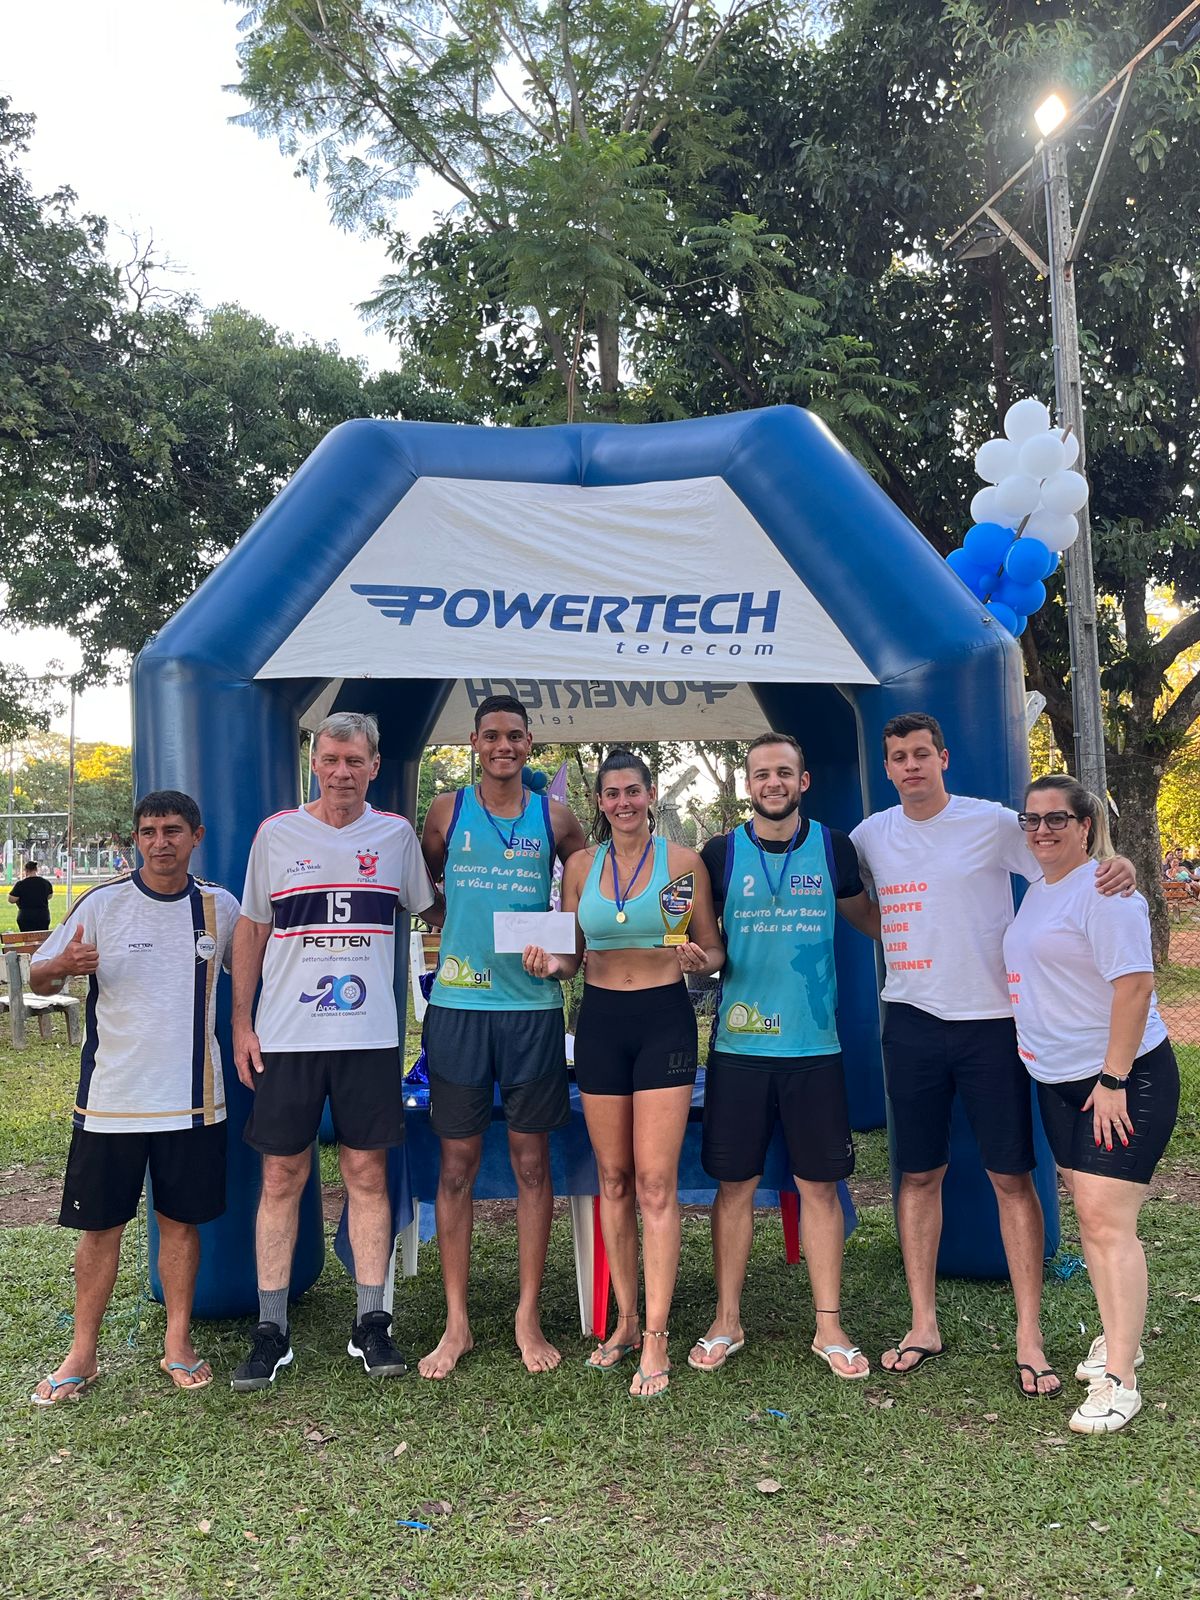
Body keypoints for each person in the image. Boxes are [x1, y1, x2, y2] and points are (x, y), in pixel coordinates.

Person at [850, 712, 1134, 1395]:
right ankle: (923, 1324)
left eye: (922, 753)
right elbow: (860, 904)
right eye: (899, 757)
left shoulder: (993, 821)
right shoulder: (870, 836)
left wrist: (1115, 863)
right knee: (918, 1176)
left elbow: (1064, 854)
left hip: (993, 1028)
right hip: (912, 1021)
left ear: (944, 758)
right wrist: (889, 935)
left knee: (1012, 1179)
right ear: (887, 768)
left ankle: (1028, 1336)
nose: (911, 765)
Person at [231, 712, 438, 1391]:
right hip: (287, 1037)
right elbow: (253, 929)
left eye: (354, 760)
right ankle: (271, 1330)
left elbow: (428, 909)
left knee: (367, 1176)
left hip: (369, 1037)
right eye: (330, 759)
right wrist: (241, 1022)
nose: (342, 771)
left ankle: (371, 1323)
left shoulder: (396, 835)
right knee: (282, 1178)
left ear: (375, 766)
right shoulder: (278, 834)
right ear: (313, 764)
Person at [524, 750, 724, 1399]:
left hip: (665, 1020)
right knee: (614, 1179)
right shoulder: (581, 867)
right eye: (611, 794)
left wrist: (700, 960)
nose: (622, 802)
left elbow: (712, 948)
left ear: (651, 793)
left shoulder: (684, 863)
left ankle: (660, 1337)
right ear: (600, 801)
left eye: (632, 791)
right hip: (601, 1023)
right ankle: (627, 1323)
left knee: (657, 1183)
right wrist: (546, 964)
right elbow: (571, 958)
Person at [28, 792, 238, 1402]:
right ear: (136, 839)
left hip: (193, 1100)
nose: (160, 842)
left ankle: (178, 1343)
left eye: (173, 830)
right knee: (100, 1229)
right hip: (111, 1099)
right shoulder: (102, 903)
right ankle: (82, 1353)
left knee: (179, 1225)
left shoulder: (218, 907)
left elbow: (261, 975)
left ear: (196, 836)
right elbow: (41, 973)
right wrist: (61, 964)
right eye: (148, 831)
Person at [688, 733, 879, 1381]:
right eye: (762, 773)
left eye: (784, 773)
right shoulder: (717, 855)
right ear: (749, 784)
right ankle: (726, 1319)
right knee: (733, 1187)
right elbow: (695, 939)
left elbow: (875, 921)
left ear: (803, 782)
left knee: (819, 1188)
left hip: (814, 1048)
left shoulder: (834, 848)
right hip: (739, 1050)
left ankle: (829, 1326)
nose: (773, 782)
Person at [1004, 775, 1178, 1434]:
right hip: (1059, 1081)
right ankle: (1115, 1332)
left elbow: (1135, 990)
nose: (1042, 831)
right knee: (1093, 1216)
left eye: (1057, 820)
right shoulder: (1041, 888)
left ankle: (1121, 1379)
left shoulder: (1107, 892)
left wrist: (1111, 1080)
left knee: (1105, 1224)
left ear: (1085, 824)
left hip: (1119, 1078)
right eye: (1033, 821)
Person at [419, 695, 585, 1379]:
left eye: (515, 736)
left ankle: (527, 1316)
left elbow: (584, 884)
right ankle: (456, 1324)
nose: (504, 746)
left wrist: (563, 941)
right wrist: (450, 920)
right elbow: (422, 882)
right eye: (492, 736)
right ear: (474, 741)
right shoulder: (446, 811)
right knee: (455, 1165)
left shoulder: (556, 816)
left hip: (533, 1009)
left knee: (531, 1166)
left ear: (530, 743)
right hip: (458, 1005)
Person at [8, 860, 53, 932]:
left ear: (26, 870)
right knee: (41, 939)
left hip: (26, 915)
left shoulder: (21, 884)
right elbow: (50, 896)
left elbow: (11, 899)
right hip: (43, 915)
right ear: (36, 870)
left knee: (27, 939)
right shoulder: (45, 883)